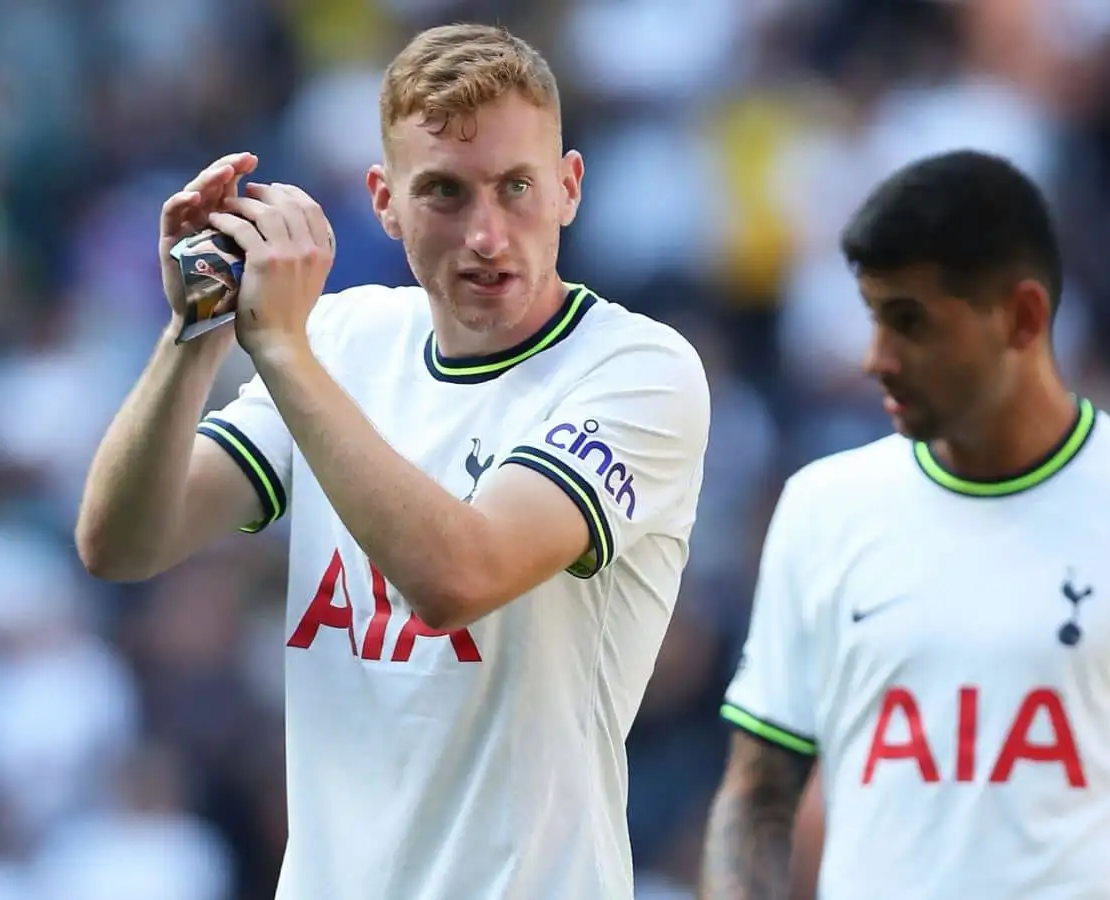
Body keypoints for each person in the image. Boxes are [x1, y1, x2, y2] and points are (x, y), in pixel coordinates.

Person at [74, 23, 710, 900]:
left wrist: (285, 353)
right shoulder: (346, 339)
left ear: (568, 188)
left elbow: (458, 576)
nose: (487, 234)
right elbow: (122, 543)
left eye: (516, 188)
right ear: (385, 201)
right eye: (445, 193)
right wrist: (195, 334)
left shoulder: (636, 370)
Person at [698, 150, 1110, 900]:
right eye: (874, 318)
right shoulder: (824, 507)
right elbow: (756, 799)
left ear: (1022, 317)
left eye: (909, 322)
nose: (874, 358)